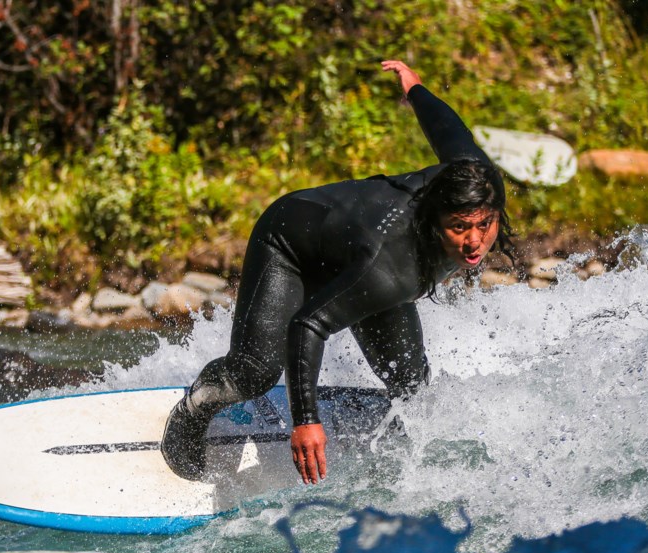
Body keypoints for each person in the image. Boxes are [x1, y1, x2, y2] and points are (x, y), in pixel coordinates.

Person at [162, 60, 514, 484]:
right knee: (254, 372)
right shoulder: (391, 266)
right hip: (290, 243)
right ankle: (192, 408)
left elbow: (450, 131)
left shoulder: (477, 183)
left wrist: (416, 88)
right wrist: (306, 421)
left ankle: (401, 473)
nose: (475, 241)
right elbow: (308, 325)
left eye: (485, 225)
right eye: (459, 228)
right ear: (435, 220)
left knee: (410, 380)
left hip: (354, 250)